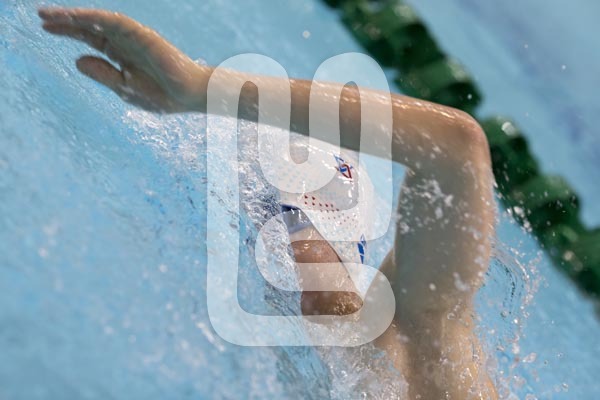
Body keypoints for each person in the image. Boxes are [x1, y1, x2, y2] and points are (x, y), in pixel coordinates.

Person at [39, 7, 497, 399]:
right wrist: (200, 89)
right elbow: (456, 149)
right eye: (287, 221)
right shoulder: (424, 366)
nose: (299, 256)